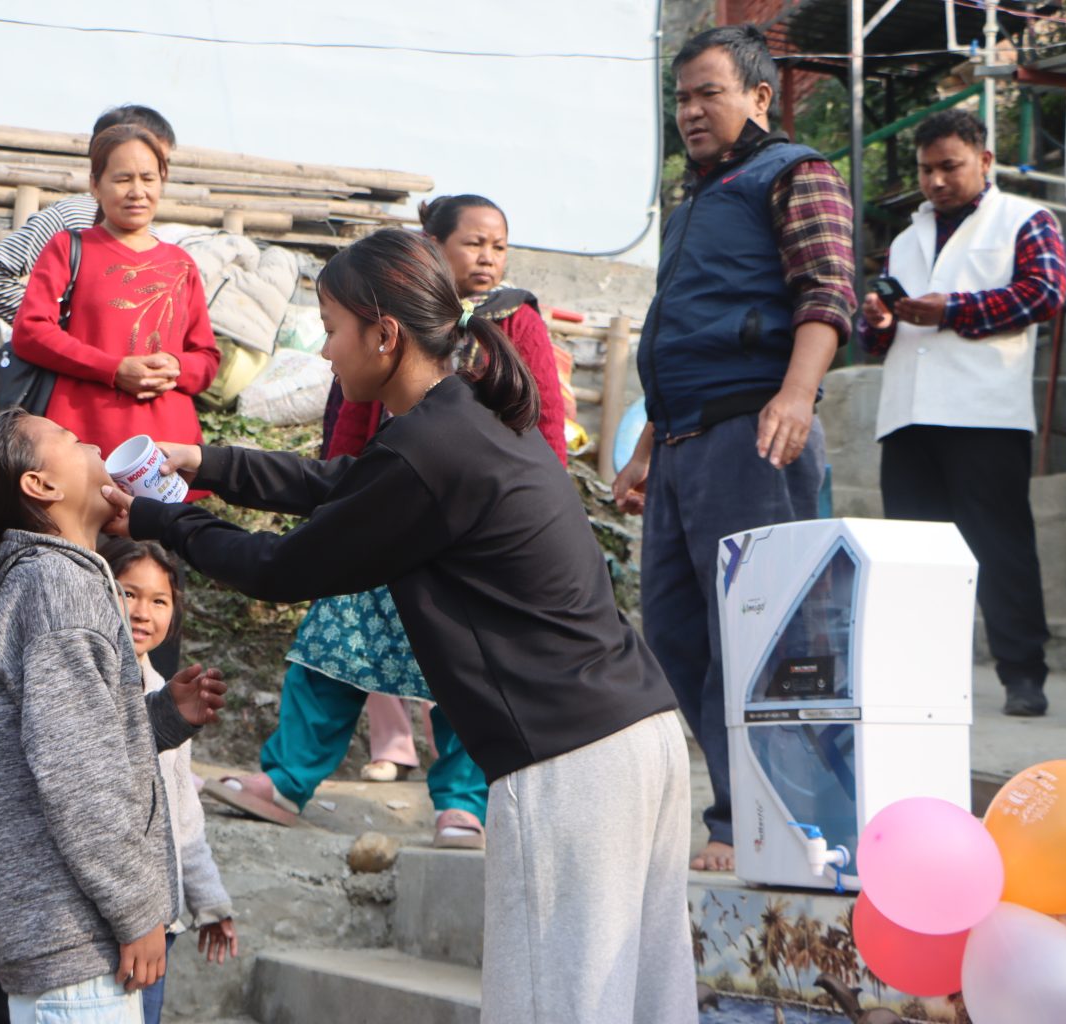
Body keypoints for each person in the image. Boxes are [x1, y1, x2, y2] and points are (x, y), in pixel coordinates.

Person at [105, 228, 695, 1023]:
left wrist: (159, 518)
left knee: (560, 1005)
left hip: (571, 762)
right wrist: (204, 463)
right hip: (635, 735)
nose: (325, 350)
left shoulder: (430, 447)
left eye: (333, 329)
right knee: (646, 1001)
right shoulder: (470, 417)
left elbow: (281, 570)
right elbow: (341, 482)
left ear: (384, 335)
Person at [612, 24, 856, 872]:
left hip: (755, 434)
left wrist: (796, 394)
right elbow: (682, 339)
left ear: (759, 95)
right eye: (681, 98)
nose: (690, 111)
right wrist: (647, 447)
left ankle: (766, 820)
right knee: (678, 634)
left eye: (708, 93)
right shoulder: (692, 204)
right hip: (682, 442)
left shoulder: (794, 173)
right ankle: (740, 809)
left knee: (764, 633)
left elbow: (827, 290)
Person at [0, 407, 227, 1024]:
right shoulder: (59, 585)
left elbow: (77, 740)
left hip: (66, 928)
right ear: (40, 485)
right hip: (79, 935)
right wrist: (136, 913)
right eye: (74, 441)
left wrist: (162, 717)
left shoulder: (52, 578)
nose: (97, 446)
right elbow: (79, 775)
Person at [351, 192, 571, 784]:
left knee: (463, 644)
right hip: (393, 497)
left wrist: (549, 498)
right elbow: (353, 411)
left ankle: (460, 796)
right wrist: (340, 481)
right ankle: (307, 773)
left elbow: (546, 416)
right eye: (473, 243)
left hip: (478, 514)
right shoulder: (397, 315)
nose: (488, 257)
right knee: (351, 629)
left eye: (499, 246)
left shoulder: (516, 319)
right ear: (434, 246)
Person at [860, 108, 1066, 717]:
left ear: (985, 160)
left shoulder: (1025, 217)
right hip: (908, 415)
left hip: (984, 412)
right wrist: (877, 320)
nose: (935, 181)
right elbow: (877, 341)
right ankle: (927, 681)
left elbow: (1044, 293)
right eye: (926, 170)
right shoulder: (905, 240)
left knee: (1001, 549)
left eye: (949, 166)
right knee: (916, 556)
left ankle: (1022, 675)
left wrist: (953, 309)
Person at [10, 123, 220, 490]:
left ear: (162, 182)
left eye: (148, 179)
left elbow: (206, 358)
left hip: (165, 448)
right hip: (85, 436)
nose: (137, 192)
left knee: (159, 528)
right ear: (95, 184)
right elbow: (30, 331)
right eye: (122, 179)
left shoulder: (181, 264)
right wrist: (113, 368)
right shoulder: (68, 247)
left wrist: (177, 366)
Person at [100, 538, 238, 1024]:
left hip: (160, 924)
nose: (143, 612)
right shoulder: (84, 686)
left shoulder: (166, 693)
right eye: (128, 593)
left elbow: (183, 815)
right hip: (103, 920)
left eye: (159, 601)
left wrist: (209, 900)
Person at [0, 105, 177, 326]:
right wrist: (53, 330)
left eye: (162, 163)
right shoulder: (73, 216)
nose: (158, 172)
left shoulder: (150, 235)